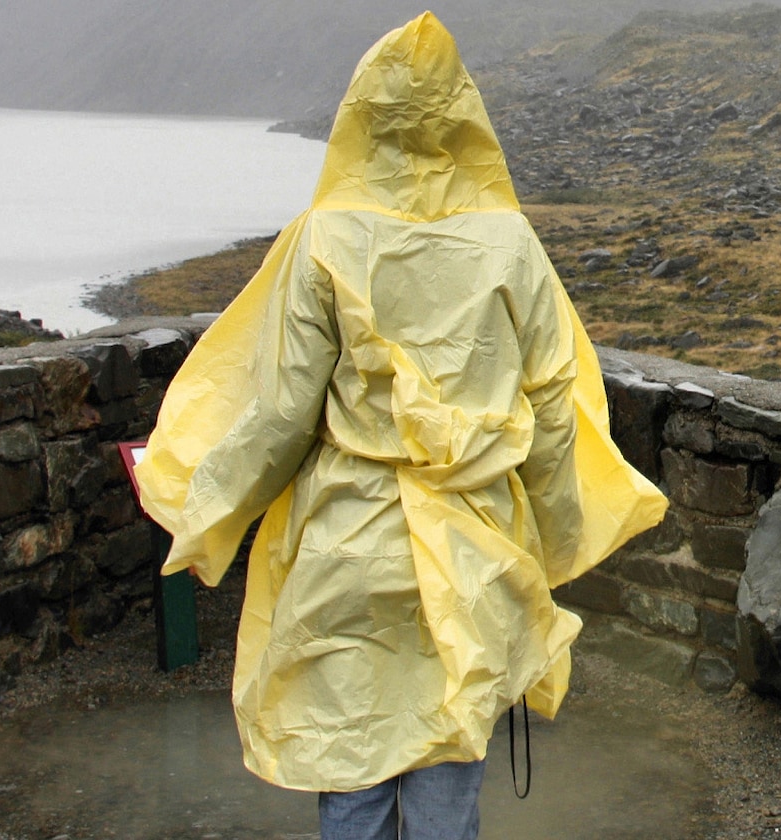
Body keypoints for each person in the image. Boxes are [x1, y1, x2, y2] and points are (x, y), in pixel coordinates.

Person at [135, 12, 667, 840]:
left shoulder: (325, 237)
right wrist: (554, 538)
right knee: (450, 761)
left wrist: (202, 507)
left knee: (352, 758)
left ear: (363, 113)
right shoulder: (512, 243)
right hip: (474, 544)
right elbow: (553, 408)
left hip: (349, 545)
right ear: (463, 112)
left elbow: (280, 414)